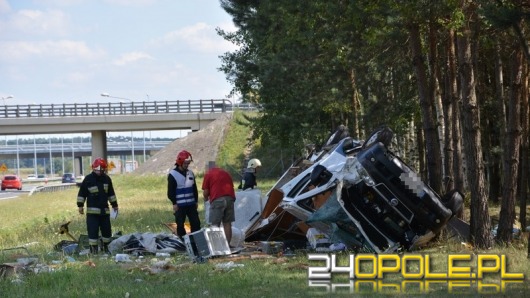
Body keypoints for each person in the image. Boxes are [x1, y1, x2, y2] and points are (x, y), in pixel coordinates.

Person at [77, 157, 118, 254]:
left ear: (104, 169)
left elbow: (111, 194)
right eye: (97, 170)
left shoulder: (107, 179)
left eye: (101, 170)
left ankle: (107, 248)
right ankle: (93, 250)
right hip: (92, 214)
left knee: (106, 231)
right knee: (93, 232)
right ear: (93, 168)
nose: (99, 172)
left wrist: (115, 205)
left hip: (105, 212)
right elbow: (82, 193)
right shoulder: (88, 179)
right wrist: (80, 206)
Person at [167, 150, 201, 240]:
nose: (187, 165)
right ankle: (183, 241)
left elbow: (194, 188)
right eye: (185, 163)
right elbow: (170, 192)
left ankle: (196, 241)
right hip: (180, 205)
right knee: (180, 225)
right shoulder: (172, 175)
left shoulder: (190, 173)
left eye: (188, 163)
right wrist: (174, 203)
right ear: (180, 162)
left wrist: (196, 201)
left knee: (196, 223)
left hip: (191, 204)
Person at [202, 167, 236, 246]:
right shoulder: (226, 173)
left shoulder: (208, 174)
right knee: (227, 223)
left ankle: (216, 247)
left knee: (215, 224)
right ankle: (227, 245)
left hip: (218, 200)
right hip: (230, 199)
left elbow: (205, 192)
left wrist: (206, 199)